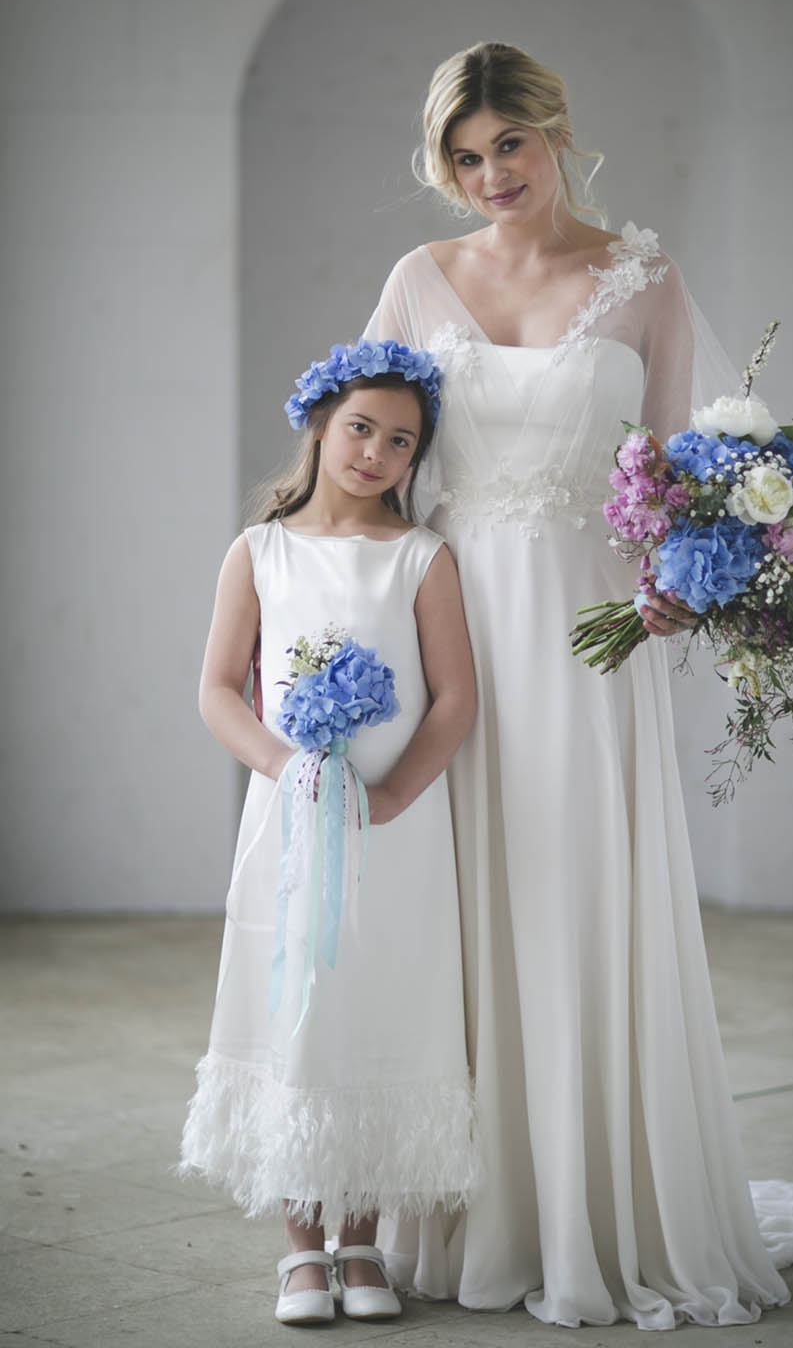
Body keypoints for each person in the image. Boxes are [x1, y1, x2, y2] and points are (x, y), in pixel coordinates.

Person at [364, 42, 793, 1330]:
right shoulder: (418, 280)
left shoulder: (642, 276)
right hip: (449, 621)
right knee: (458, 898)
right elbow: (368, 456)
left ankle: (598, 1204)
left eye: (507, 144)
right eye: (462, 158)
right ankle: (459, 1203)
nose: (488, 175)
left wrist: (695, 575)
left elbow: (698, 460)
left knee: (575, 884)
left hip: (590, 626)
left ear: (555, 132)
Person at [179, 339, 479, 1326]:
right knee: (302, 1004)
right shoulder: (258, 551)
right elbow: (220, 691)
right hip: (294, 819)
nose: (374, 453)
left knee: (380, 1001)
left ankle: (363, 1240)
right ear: (317, 423)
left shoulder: (423, 558)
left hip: (394, 827)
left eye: (400, 441)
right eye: (360, 427)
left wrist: (390, 799)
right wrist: (288, 767)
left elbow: (454, 700)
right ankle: (301, 1249)